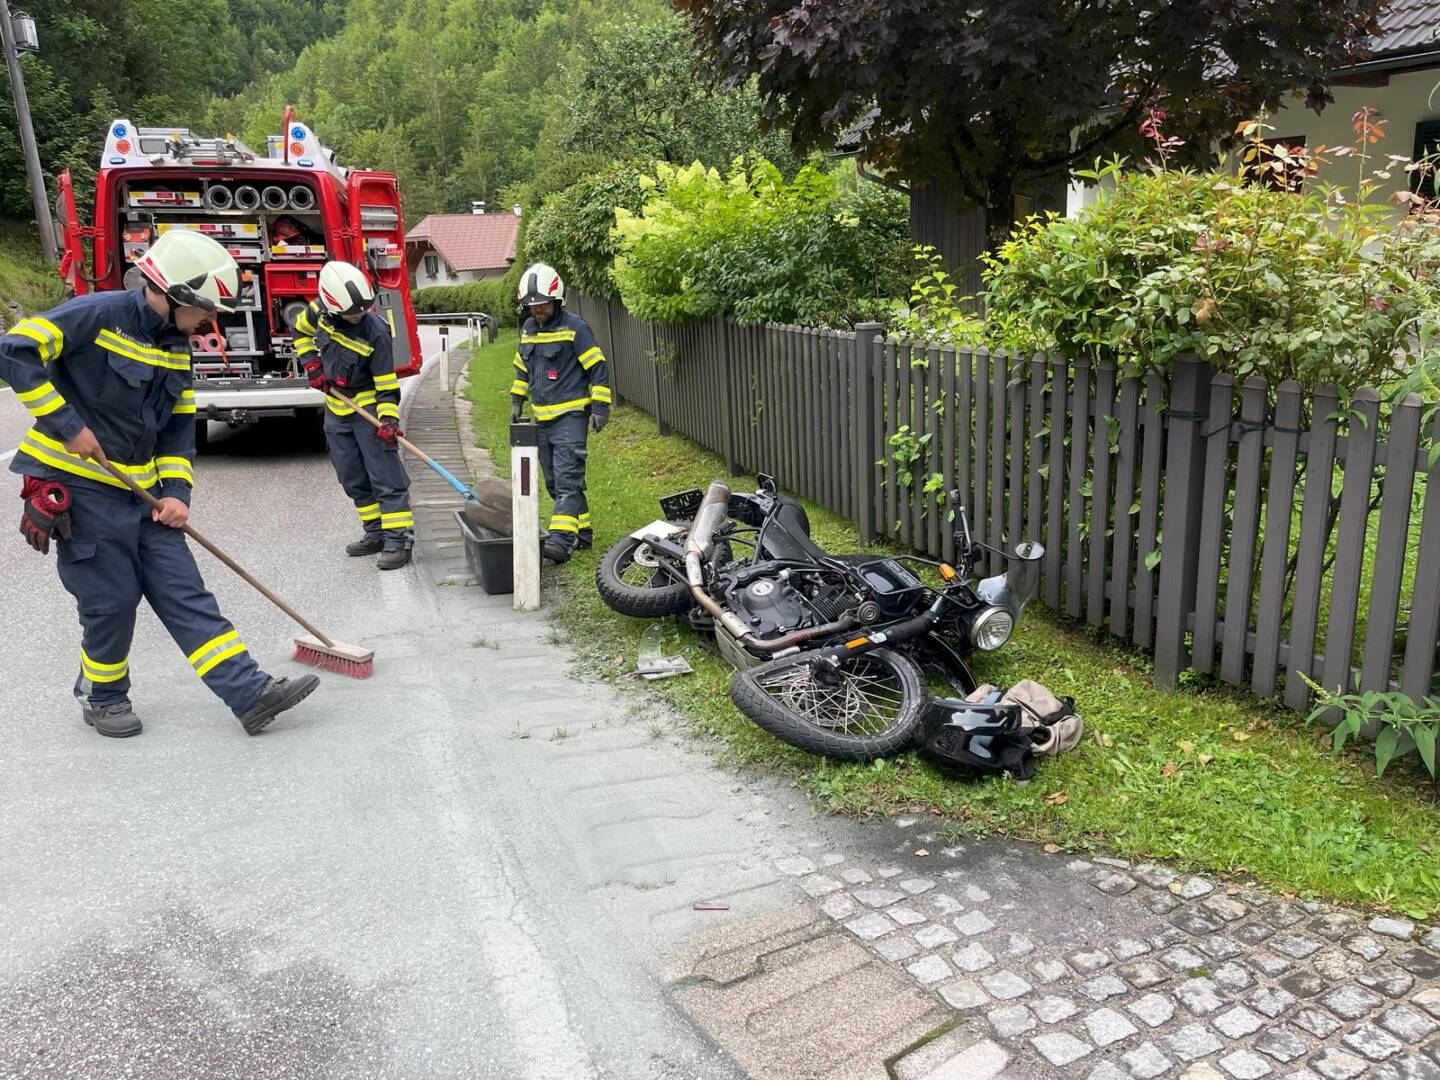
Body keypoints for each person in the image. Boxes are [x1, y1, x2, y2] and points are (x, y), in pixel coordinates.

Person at [1, 229, 320, 737]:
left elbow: (177, 428)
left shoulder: (176, 346)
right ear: (174, 294)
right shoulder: (98, 315)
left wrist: (176, 495)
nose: (211, 322)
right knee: (111, 601)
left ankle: (249, 694)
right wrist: (68, 425)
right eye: (205, 310)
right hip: (79, 487)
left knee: (185, 591)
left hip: (143, 496)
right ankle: (103, 696)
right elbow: (14, 351)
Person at [294, 261, 414, 570]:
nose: (359, 315)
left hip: (368, 407)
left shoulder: (376, 332)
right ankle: (375, 533)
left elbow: (387, 384)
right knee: (352, 476)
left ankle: (398, 540)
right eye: (352, 313)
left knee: (386, 477)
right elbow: (301, 333)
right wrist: (312, 365)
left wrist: (389, 420)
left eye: (363, 309)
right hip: (337, 408)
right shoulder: (319, 311)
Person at [509, 263, 612, 563]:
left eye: (541, 304)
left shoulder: (575, 328)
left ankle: (560, 540)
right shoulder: (528, 330)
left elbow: (598, 368)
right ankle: (583, 532)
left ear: (556, 299)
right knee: (555, 481)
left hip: (571, 418)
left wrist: (600, 407)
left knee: (567, 479)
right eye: (531, 306)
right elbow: (521, 369)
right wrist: (517, 401)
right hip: (542, 420)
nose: (536, 311)